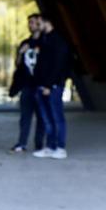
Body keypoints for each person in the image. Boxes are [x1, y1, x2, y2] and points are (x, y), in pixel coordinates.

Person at [33, 14, 72, 159]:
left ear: (46, 22)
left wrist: (50, 85)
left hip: (53, 87)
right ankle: (50, 147)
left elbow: (59, 65)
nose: (37, 26)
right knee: (47, 119)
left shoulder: (58, 40)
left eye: (38, 23)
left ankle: (60, 148)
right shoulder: (44, 39)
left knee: (57, 118)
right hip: (42, 86)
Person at [8, 13, 44, 153]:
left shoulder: (44, 42)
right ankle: (21, 143)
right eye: (29, 23)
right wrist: (21, 53)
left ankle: (39, 144)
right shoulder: (25, 43)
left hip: (40, 85)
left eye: (33, 22)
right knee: (25, 117)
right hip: (27, 86)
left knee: (41, 117)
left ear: (39, 24)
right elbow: (18, 64)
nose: (31, 25)